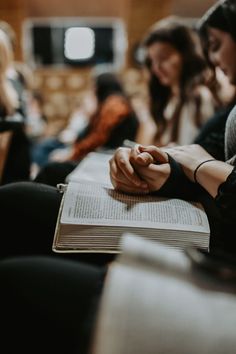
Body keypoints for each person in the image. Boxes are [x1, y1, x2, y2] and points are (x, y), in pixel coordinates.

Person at [1, 1, 236, 354]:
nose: (214, 59)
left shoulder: (203, 98)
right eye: (152, 63)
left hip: (216, 244)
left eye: (216, 44)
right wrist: (155, 168)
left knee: (12, 277)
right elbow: (197, 163)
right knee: (16, 200)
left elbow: (207, 163)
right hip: (206, 213)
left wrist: (198, 164)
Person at [32, 72, 140, 186]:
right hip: (103, 155)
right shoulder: (114, 103)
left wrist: (72, 154)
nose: (93, 90)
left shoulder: (114, 105)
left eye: (94, 86)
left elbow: (97, 138)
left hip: (105, 158)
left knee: (50, 170)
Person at [138, 16, 218, 147]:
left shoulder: (199, 98)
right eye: (152, 61)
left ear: (186, 55)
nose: (156, 68)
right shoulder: (168, 99)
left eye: (163, 58)